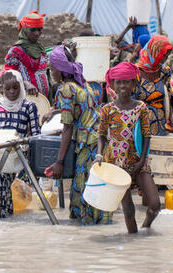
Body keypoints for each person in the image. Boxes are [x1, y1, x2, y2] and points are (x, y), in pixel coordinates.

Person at [46, 46, 112, 225]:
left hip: (87, 144)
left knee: (85, 189)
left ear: (60, 69)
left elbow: (67, 127)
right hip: (100, 141)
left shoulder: (66, 89)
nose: (51, 72)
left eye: (52, 69)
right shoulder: (84, 84)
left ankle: (88, 228)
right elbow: (81, 112)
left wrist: (59, 162)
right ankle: (99, 229)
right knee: (96, 187)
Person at [95, 62, 160, 234]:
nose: (122, 85)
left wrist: (142, 161)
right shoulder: (107, 109)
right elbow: (101, 135)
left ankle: (146, 230)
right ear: (113, 84)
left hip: (138, 160)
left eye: (127, 82)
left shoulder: (141, 107)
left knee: (155, 204)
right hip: (117, 162)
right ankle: (134, 240)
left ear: (133, 84)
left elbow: (147, 135)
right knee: (129, 209)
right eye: (118, 82)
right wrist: (99, 155)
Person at [0, 69, 40, 219]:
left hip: (18, 153)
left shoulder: (28, 106)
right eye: (7, 89)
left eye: (15, 88)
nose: (12, 92)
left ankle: (1, 219)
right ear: (2, 88)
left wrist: (28, 149)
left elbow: (36, 134)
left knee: (7, 187)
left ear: (21, 86)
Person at [134, 35, 173, 136]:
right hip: (139, 125)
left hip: (160, 125)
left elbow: (168, 98)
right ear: (153, 51)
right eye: (163, 55)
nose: (165, 60)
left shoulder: (164, 71)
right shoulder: (135, 72)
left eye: (167, 56)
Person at [5, 10, 48, 96]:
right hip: (24, 102)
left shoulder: (40, 49)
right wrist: (24, 83)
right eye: (32, 30)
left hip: (43, 102)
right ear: (25, 29)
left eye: (40, 30)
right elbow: (7, 76)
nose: (37, 33)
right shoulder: (15, 52)